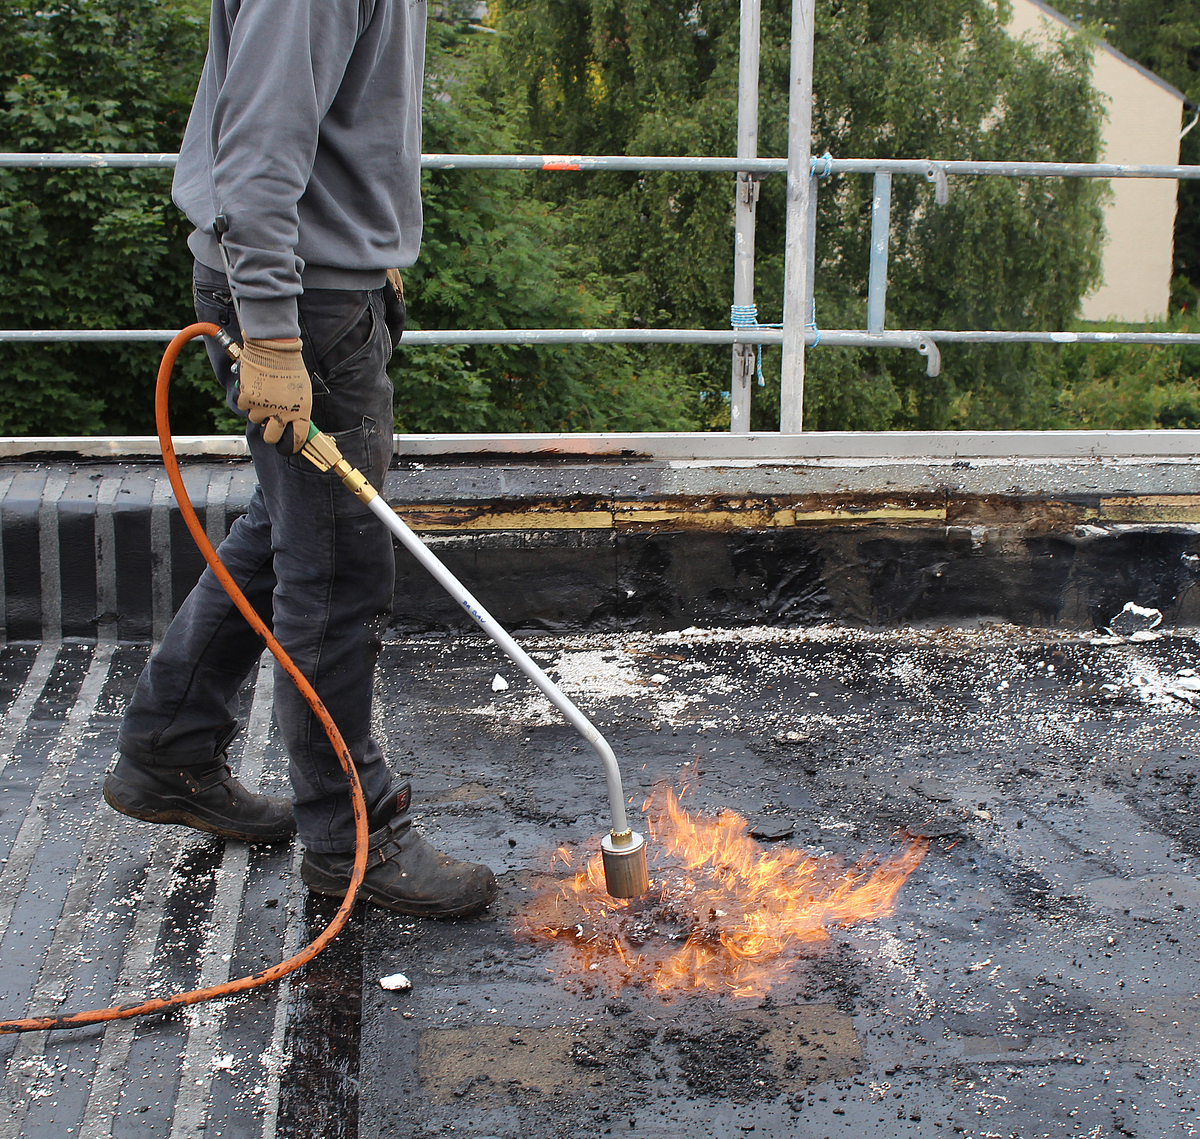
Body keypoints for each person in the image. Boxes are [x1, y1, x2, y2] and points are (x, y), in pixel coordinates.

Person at [104, 0, 497, 920]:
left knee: (289, 530)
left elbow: (339, 113)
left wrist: (373, 241)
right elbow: (259, 147)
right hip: (303, 306)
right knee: (337, 571)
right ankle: (355, 836)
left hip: (326, 287)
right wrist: (276, 329)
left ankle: (172, 746)